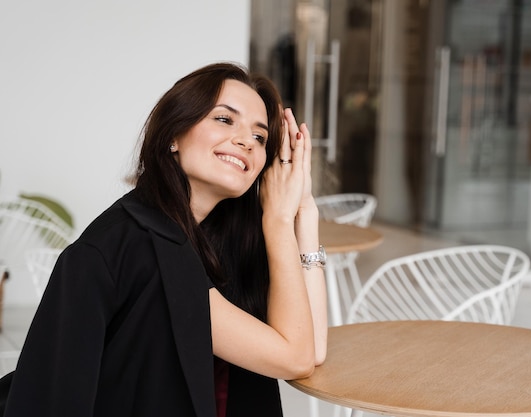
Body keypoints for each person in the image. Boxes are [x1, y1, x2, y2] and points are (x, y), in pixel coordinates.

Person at [0, 62, 327, 417]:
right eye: (224, 119)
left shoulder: (214, 238)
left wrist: (304, 210)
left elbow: (313, 350)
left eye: (260, 137)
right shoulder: (145, 244)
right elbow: (296, 358)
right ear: (174, 133)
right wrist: (278, 220)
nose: (245, 140)